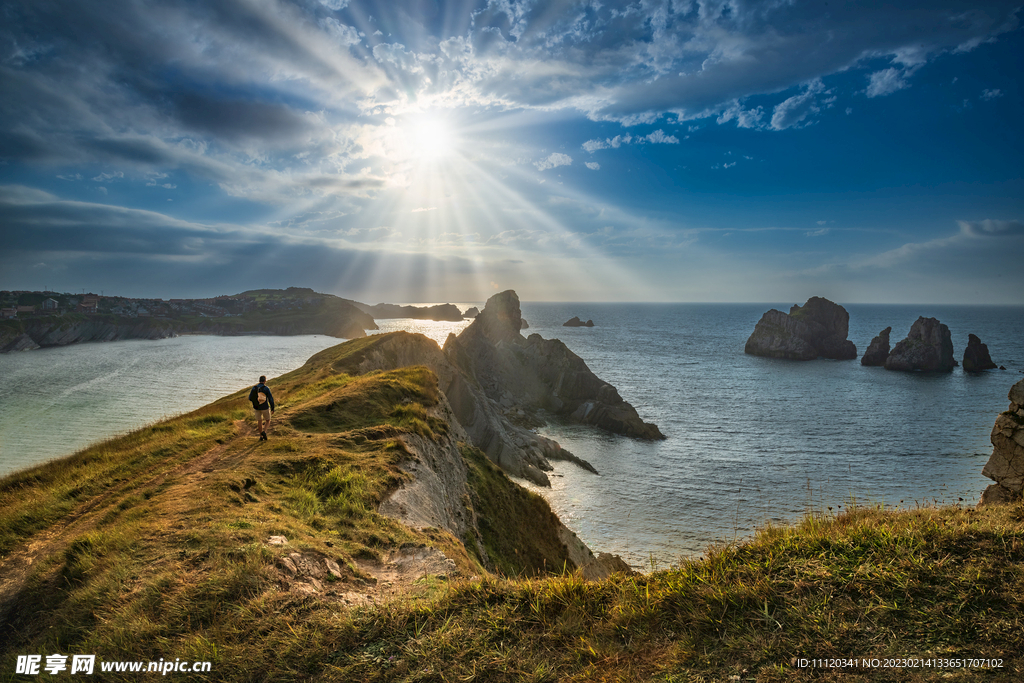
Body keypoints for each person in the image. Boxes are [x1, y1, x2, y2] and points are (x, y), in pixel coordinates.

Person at [248, 375, 275, 440]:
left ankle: (260, 436)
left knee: (259, 421)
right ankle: (264, 432)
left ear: (259, 380)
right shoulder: (266, 388)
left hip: (257, 407)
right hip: (265, 407)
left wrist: (256, 401)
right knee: (268, 420)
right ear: (265, 381)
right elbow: (270, 399)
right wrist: (272, 408)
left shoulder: (254, 388)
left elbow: (250, 398)